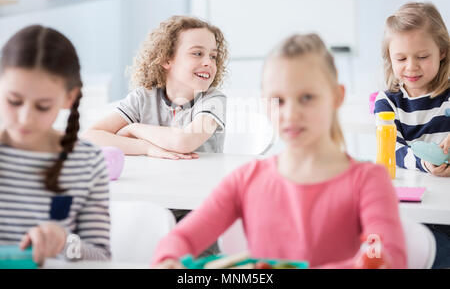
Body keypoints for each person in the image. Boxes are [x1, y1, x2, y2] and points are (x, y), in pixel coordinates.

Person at [152, 34, 407, 269]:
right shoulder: (245, 179)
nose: (290, 114)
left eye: (307, 97)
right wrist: (169, 260)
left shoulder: (369, 180)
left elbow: (386, 257)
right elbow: (181, 238)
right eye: (279, 100)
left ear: (336, 97)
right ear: (265, 103)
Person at [0, 25, 111, 265]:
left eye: (42, 106)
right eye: (14, 101)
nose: (25, 118)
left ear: (69, 98)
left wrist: (64, 242)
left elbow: (101, 258)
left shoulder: (86, 162)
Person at [82, 15, 229, 160]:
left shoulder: (214, 100)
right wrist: (146, 148)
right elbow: (89, 137)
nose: (208, 63)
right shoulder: (142, 98)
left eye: (213, 56)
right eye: (197, 53)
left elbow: (184, 142)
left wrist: (134, 128)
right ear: (166, 59)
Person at [374, 2, 450, 269]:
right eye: (401, 58)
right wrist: (426, 164)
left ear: (441, 52)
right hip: (414, 212)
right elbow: (392, 149)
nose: (411, 67)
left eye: (422, 56)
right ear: (389, 58)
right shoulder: (388, 103)